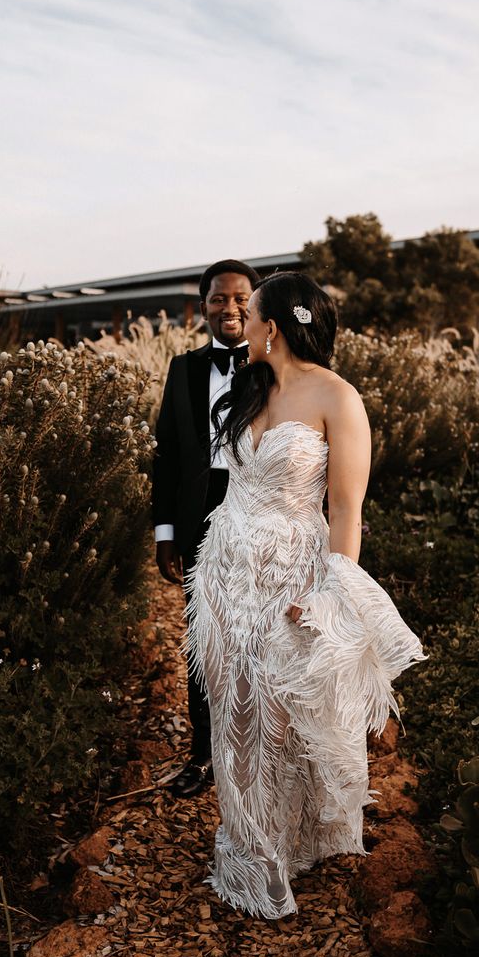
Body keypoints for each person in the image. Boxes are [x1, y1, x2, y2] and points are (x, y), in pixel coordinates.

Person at [184, 271, 426, 918]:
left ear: (272, 326)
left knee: (277, 715)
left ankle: (281, 850)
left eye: (251, 312)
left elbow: (347, 512)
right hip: (224, 571)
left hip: (292, 573)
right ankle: (243, 841)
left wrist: (327, 596)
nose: (240, 322)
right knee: (231, 713)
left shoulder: (339, 399)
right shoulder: (250, 386)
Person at [153, 258, 261, 797]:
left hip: (258, 512)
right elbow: (167, 455)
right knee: (202, 638)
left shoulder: (276, 370)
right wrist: (165, 532)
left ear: (258, 304)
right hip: (198, 513)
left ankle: (259, 753)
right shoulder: (183, 370)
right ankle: (204, 754)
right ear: (203, 307)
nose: (231, 308)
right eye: (219, 298)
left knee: (261, 633)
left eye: (242, 298)